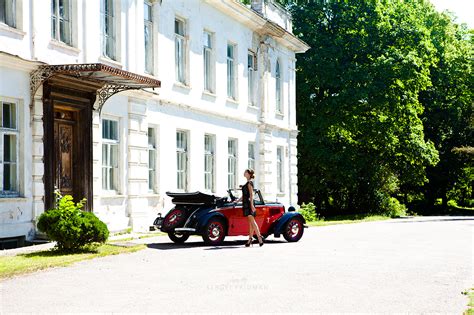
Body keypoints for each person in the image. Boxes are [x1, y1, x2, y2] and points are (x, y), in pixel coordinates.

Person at [234, 169, 264, 247]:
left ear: (249, 174)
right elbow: (244, 195)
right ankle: (250, 240)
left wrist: (251, 205)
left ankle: (259, 238)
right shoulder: (247, 183)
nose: (244, 173)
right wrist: (237, 201)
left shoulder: (250, 183)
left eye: (245, 172)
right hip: (246, 203)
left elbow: (251, 194)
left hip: (249, 204)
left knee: (252, 221)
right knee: (251, 222)